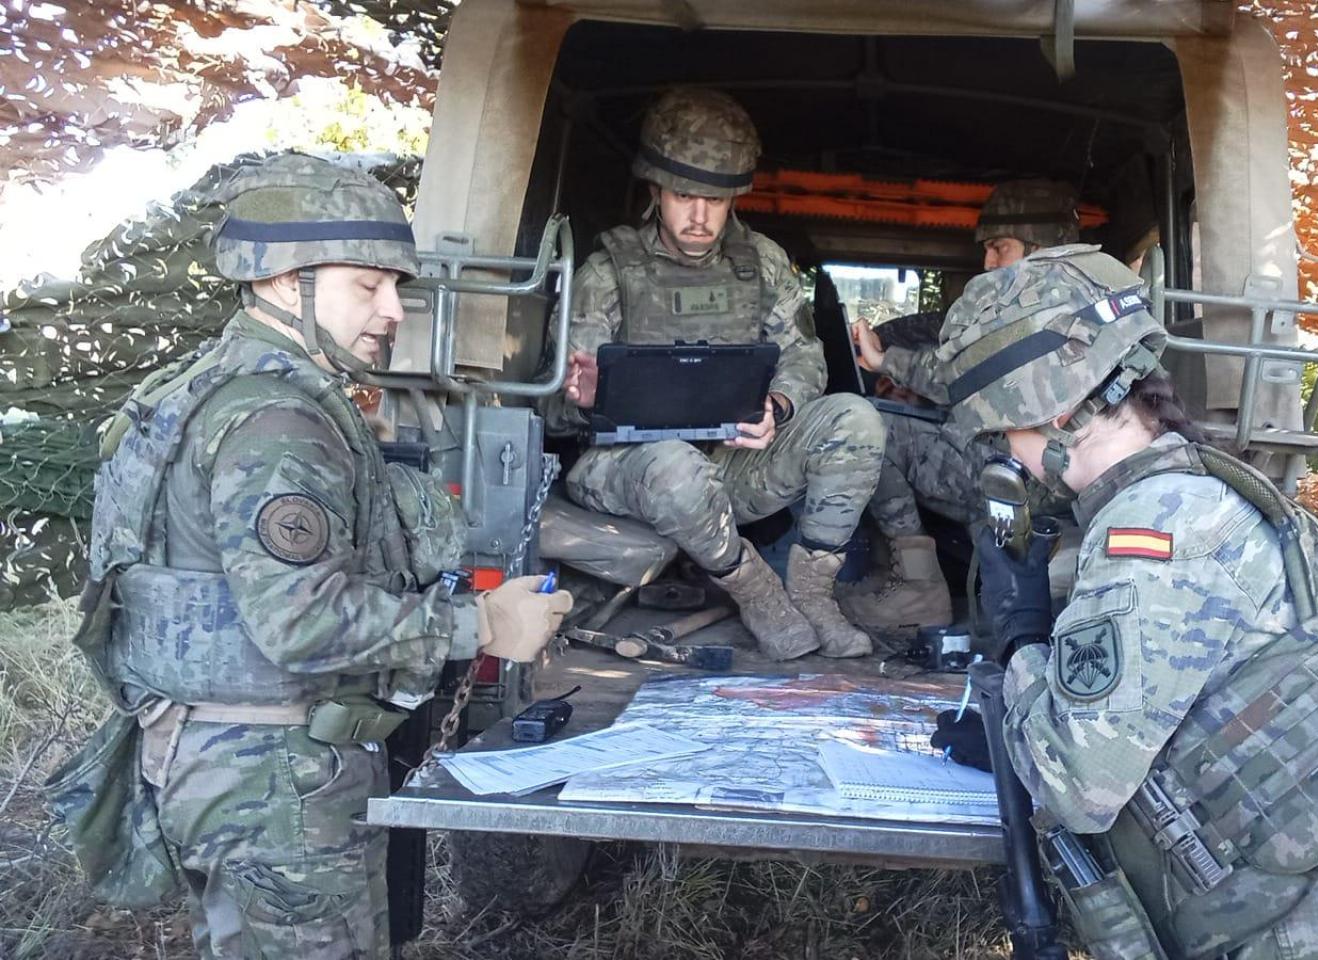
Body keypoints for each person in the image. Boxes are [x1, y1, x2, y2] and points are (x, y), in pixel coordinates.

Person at [59, 153, 573, 959]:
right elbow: (301, 621)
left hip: (221, 761)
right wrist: (481, 622)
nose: (393, 309)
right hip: (276, 784)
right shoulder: (276, 422)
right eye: (367, 286)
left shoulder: (209, 387)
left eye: (395, 287)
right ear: (277, 283)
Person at [929, 257, 1318, 959]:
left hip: (1292, 935)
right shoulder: (1207, 491)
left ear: (1056, 413)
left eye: (1002, 434)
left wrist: (1021, 637)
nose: (1010, 458)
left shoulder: (1153, 530)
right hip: (1314, 915)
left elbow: (1079, 787)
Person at [541, 87, 884, 660]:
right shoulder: (608, 275)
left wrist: (779, 407)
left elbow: (805, 356)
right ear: (655, 190)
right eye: (683, 195)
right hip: (627, 470)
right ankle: (755, 590)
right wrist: (583, 397)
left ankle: (813, 593)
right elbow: (549, 407)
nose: (700, 216)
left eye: (716, 200)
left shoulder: (763, 263)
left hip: (734, 458)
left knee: (856, 418)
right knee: (675, 463)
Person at [840, 180, 1106, 637]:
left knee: (866, 428)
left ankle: (918, 586)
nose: (988, 263)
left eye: (1000, 248)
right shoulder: (1095, 300)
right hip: (1063, 472)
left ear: (1037, 248)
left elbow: (958, 379)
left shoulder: (1032, 308)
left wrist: (885, 361)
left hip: (1021, 475)